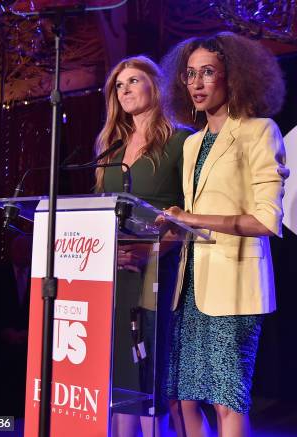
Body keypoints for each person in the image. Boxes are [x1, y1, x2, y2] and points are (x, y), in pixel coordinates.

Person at [159, 32, 289, 437]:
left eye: (208, 72)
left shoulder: (259, 131)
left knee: (225, 400)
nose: (196, 83)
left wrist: (194, 218)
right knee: (182, 399)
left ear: (233, 76)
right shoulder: (192, 144)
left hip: (234, 288)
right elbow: (189, 218)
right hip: (192, 285)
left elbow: (266, 220)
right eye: (190, 74)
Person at [95, 55, 191, 437]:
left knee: (151, 374)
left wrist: (152, 249)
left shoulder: (182, 141)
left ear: (157, 85)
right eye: (119, 85)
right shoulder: (109, 151)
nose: (125, 90)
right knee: (120, 372)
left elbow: (192, 211)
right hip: (116, 275)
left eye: (134, 81)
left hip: (160, 272)